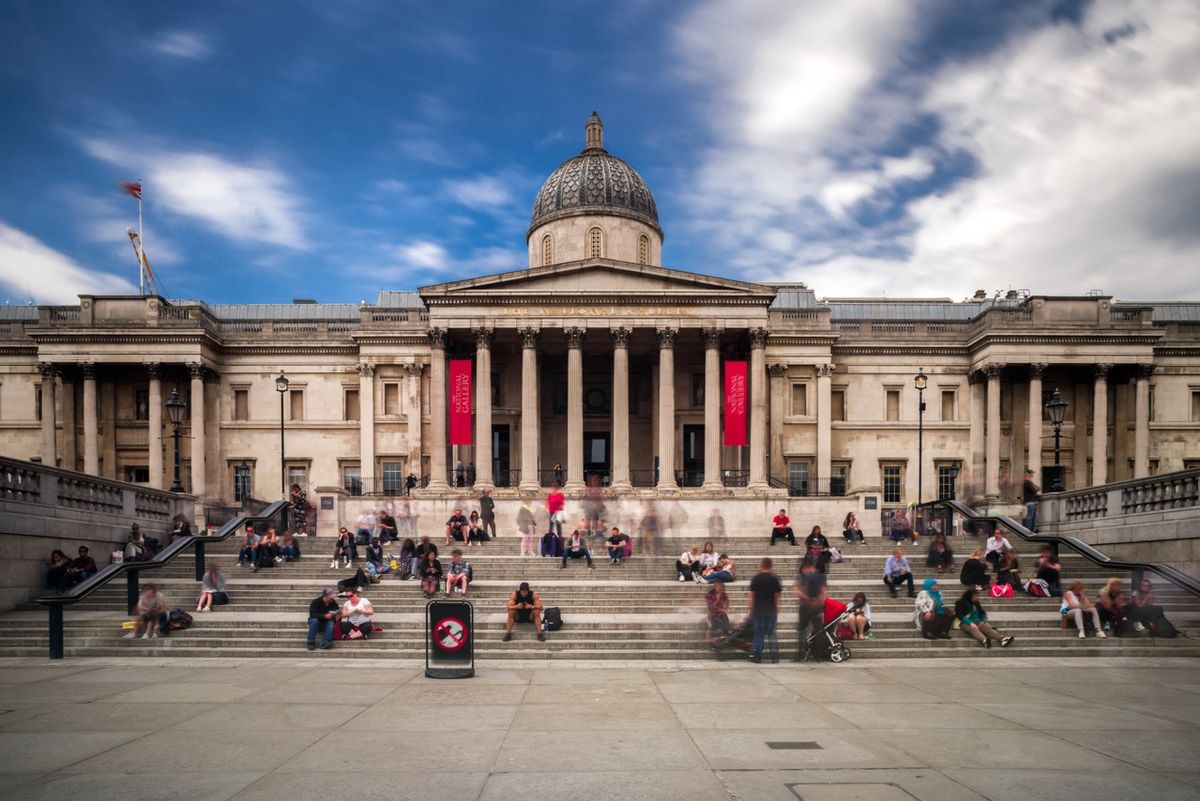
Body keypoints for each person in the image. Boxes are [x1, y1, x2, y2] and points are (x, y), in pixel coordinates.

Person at [748, 557, 782, 663]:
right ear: (770, 566)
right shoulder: (775, 579)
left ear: (761, 565)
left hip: (758, 610)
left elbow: (752, 596)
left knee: (758, 634)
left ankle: (757, 657)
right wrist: (777, 609)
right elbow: (777, 596)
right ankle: (775, 658)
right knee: (772, 635)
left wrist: (750, 610)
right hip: (770, 610)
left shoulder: (756, 578)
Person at [794, 561, 827, 660]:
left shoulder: (803, 577)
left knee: (802, 630)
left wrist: (807, 599)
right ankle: (818, 655)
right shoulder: (820, 577)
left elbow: (798, 590)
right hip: (816, 606)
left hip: (805, 607)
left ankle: (801, 655)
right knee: (818, 630)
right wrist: (816, 600)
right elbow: (824, 590)